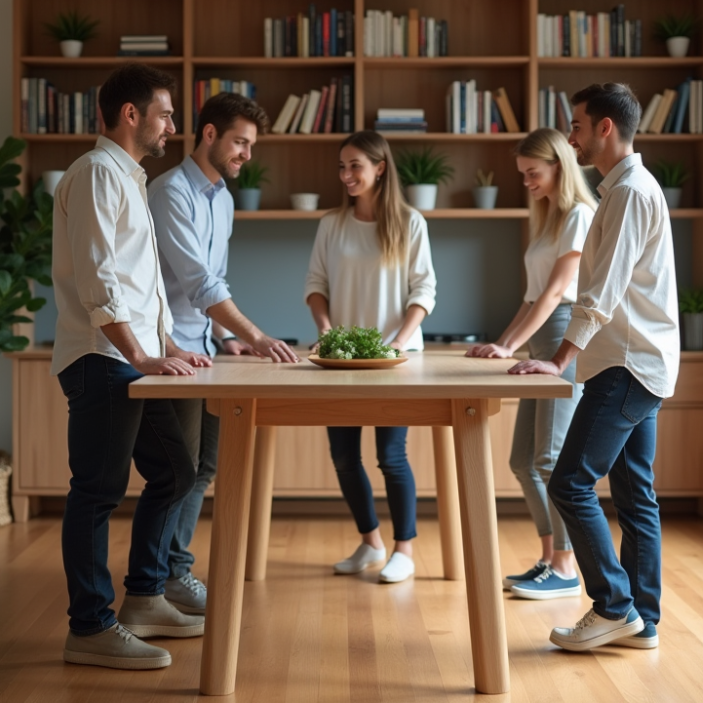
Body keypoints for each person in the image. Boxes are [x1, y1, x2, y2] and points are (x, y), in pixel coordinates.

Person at [51, 64, 216, 670]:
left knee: (177, 468)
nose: (173, 125)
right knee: (96, 491)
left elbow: (139, 284)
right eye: (167, 114)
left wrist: (164, 348)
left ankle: (145, 597)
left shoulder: (129, 178)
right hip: (103, 360)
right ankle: (89, 626)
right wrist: (142, 354)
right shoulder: (98, 174)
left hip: (131, 361)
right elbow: (100, 281)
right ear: (131, 114)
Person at [510, 83, 679, 652]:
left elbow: (601, 294)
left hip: (625, 366)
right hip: (637, 362)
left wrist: (558, 359)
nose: (572, 137)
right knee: (635, 497)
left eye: (578, 127)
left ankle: (613, 606)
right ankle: (641, 620)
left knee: (569, 481)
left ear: (605, 127)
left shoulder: (629, 193)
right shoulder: (624, 190)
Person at [148, 91, 299, 616]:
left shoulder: (223, 198)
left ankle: (175, 570)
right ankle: (165, 578)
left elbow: (214, 282)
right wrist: (257, 336)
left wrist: (227, 337)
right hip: (171, 353)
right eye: (240, 142)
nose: (246, 155)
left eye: (251, 145)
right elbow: (197, 282)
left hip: (206, 348)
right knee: (181, 470)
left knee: (206, 465)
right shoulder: (170, 193)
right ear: (208, 134)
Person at [465, 128, 596, 600]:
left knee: (550, 457)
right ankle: (548, 558)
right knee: (522, 460)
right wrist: (502, 344)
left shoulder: (580, 216)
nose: (526, 182)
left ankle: (565, 565)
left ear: (560, 166)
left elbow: (557, 294)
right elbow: (530, 297)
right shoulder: (547, 219)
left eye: (533, 173)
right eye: (522, 174)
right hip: (540, 339)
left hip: (563, 338)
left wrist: (511, 346)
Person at [303, 130, 436, 584]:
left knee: (390, 455)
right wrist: (324, 332)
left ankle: (404, 550)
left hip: (395, 360)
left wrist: (399, 340)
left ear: (380, 167)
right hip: (339, 359)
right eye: (342, 166)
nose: (346, 175)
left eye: (355, 165)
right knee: (343, 457)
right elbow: (316, 285)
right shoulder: (331, 225)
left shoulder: (410, 222)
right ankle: (370, 542)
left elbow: (424, 290)